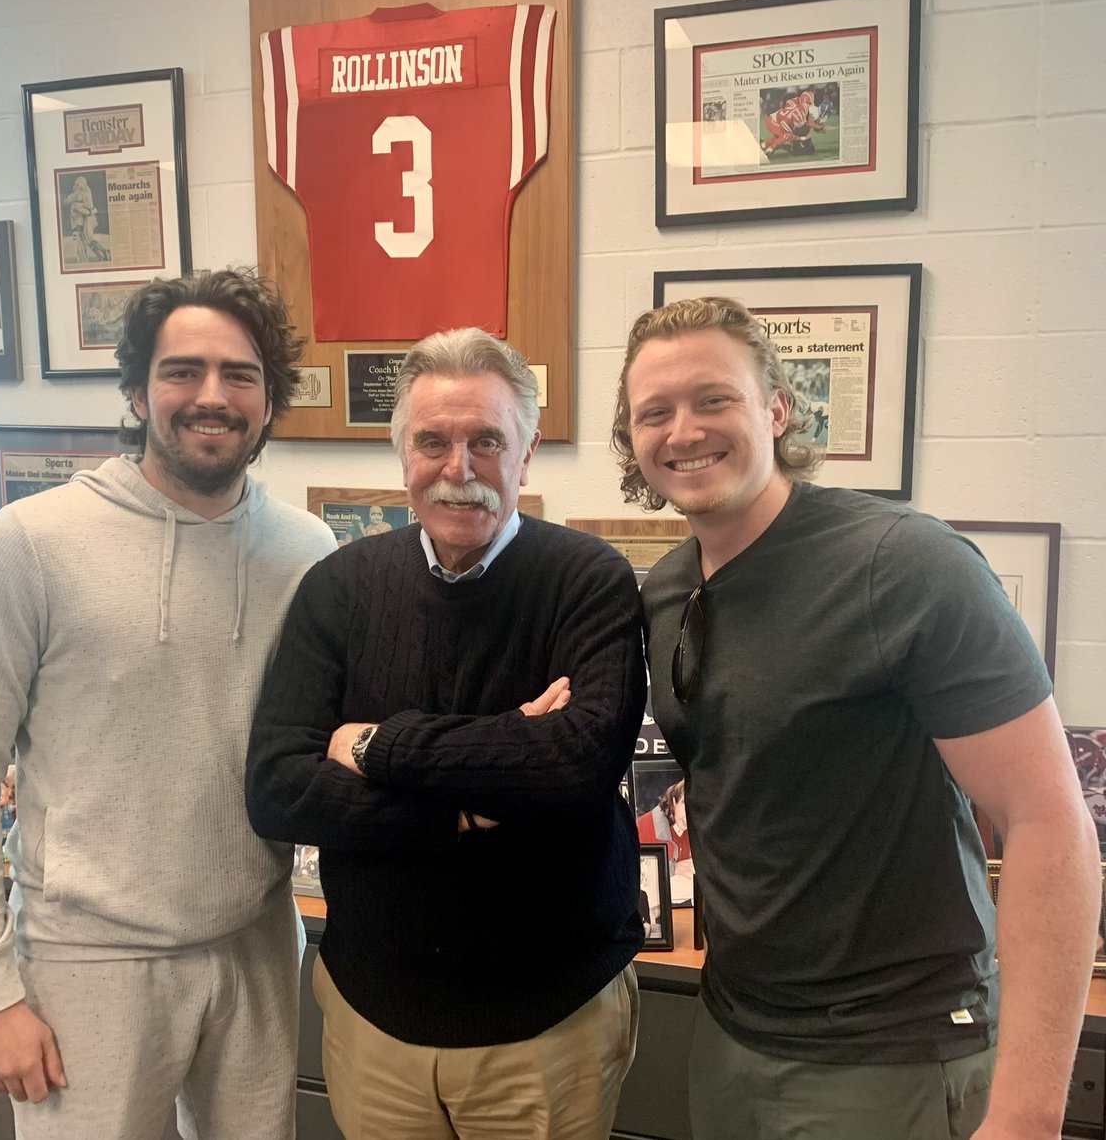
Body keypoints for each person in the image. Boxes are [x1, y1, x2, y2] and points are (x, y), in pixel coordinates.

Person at [611, 295, 1101, 1140]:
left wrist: (1025, 1114)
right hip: (732, 1035)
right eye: (655, 412)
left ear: (775, 407)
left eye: (713, 399)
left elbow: (1049, 822)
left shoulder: (903, 566)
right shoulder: (665, 591)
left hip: (896, 1056)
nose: (683, 430)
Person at [0, 268, 337, 1140]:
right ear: (139, 391)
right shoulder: (31, 545)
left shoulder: (307, 551)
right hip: (88, 963)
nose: (210, 396)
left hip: (255, 945)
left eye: (240, 375)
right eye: (182, 371)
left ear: (269, 401)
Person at [247, 326, 648, 1140]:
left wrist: (371, 745)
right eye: (432, 441)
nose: (458, 469)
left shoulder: (588, 579)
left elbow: (571, 771)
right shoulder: (341, 587)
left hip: (549, 1026)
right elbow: (279, 788)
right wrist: (465, 806)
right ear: (402, 457)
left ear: (527, 454)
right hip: (374, 1021)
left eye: (486, 441)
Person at [636, 777, 693, 878]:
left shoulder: (694, 830)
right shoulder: (646, 825)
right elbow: (638, 872)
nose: (689, 817)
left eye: (695, 811)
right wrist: (673, 869)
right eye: (685, 808)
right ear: (674, 801)